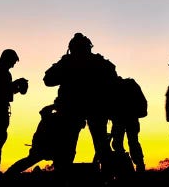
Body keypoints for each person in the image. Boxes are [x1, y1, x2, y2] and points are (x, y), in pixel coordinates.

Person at [43, 32, 118, 173]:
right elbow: (113, 80)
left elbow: (48, 79)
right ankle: (107, 176)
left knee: (67, 147)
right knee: (100, 145)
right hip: (93, 108)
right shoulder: (99, 62)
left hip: (74, 109)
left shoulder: (68, 62)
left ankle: (63, 176)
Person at [5, 103, 62, 176]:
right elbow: (43, 111)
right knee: (29, 161)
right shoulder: (51, 117)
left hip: (50, 147)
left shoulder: (59, 118)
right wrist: (56, 105)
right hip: (42, 146)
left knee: (29, 161)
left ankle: (9, 173)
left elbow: (43, 111)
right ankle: (9, 174)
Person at [110, 75, 148, 172]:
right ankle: (134, 166)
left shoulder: (116, 86)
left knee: (121, 143)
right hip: (127, 119)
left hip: (124, 119)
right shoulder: (130, 84)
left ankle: (131, 167)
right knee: (130, 142)